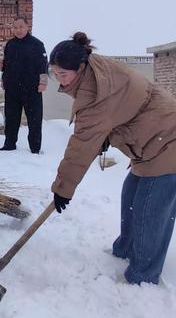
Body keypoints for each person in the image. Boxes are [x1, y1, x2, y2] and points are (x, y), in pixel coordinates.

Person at [49, 32, 176, 285]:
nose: (58, 80)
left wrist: (63, 188)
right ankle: (124, 251)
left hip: (167, 141)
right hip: (149, 142)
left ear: (80, 68)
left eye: (63, 74)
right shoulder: (97, 68)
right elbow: (122, 109)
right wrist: (108, 134)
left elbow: (81, 147)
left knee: (148, 210)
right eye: (55, 73)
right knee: (131, 196)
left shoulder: (95, 94)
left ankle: (143, 277)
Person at [0, 16, 48, 153]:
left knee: (34, 120)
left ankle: (35, 148)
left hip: (32, 88)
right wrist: (4, 79)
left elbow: (43, 65)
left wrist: (43, 82)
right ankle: (9, 144)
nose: (18, 30)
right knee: (11, 118)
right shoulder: (10, 45)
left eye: (21, 27)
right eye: (15, 27)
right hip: (12, 88)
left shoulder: (37, 44)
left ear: (27, 27)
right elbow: (5, 64)